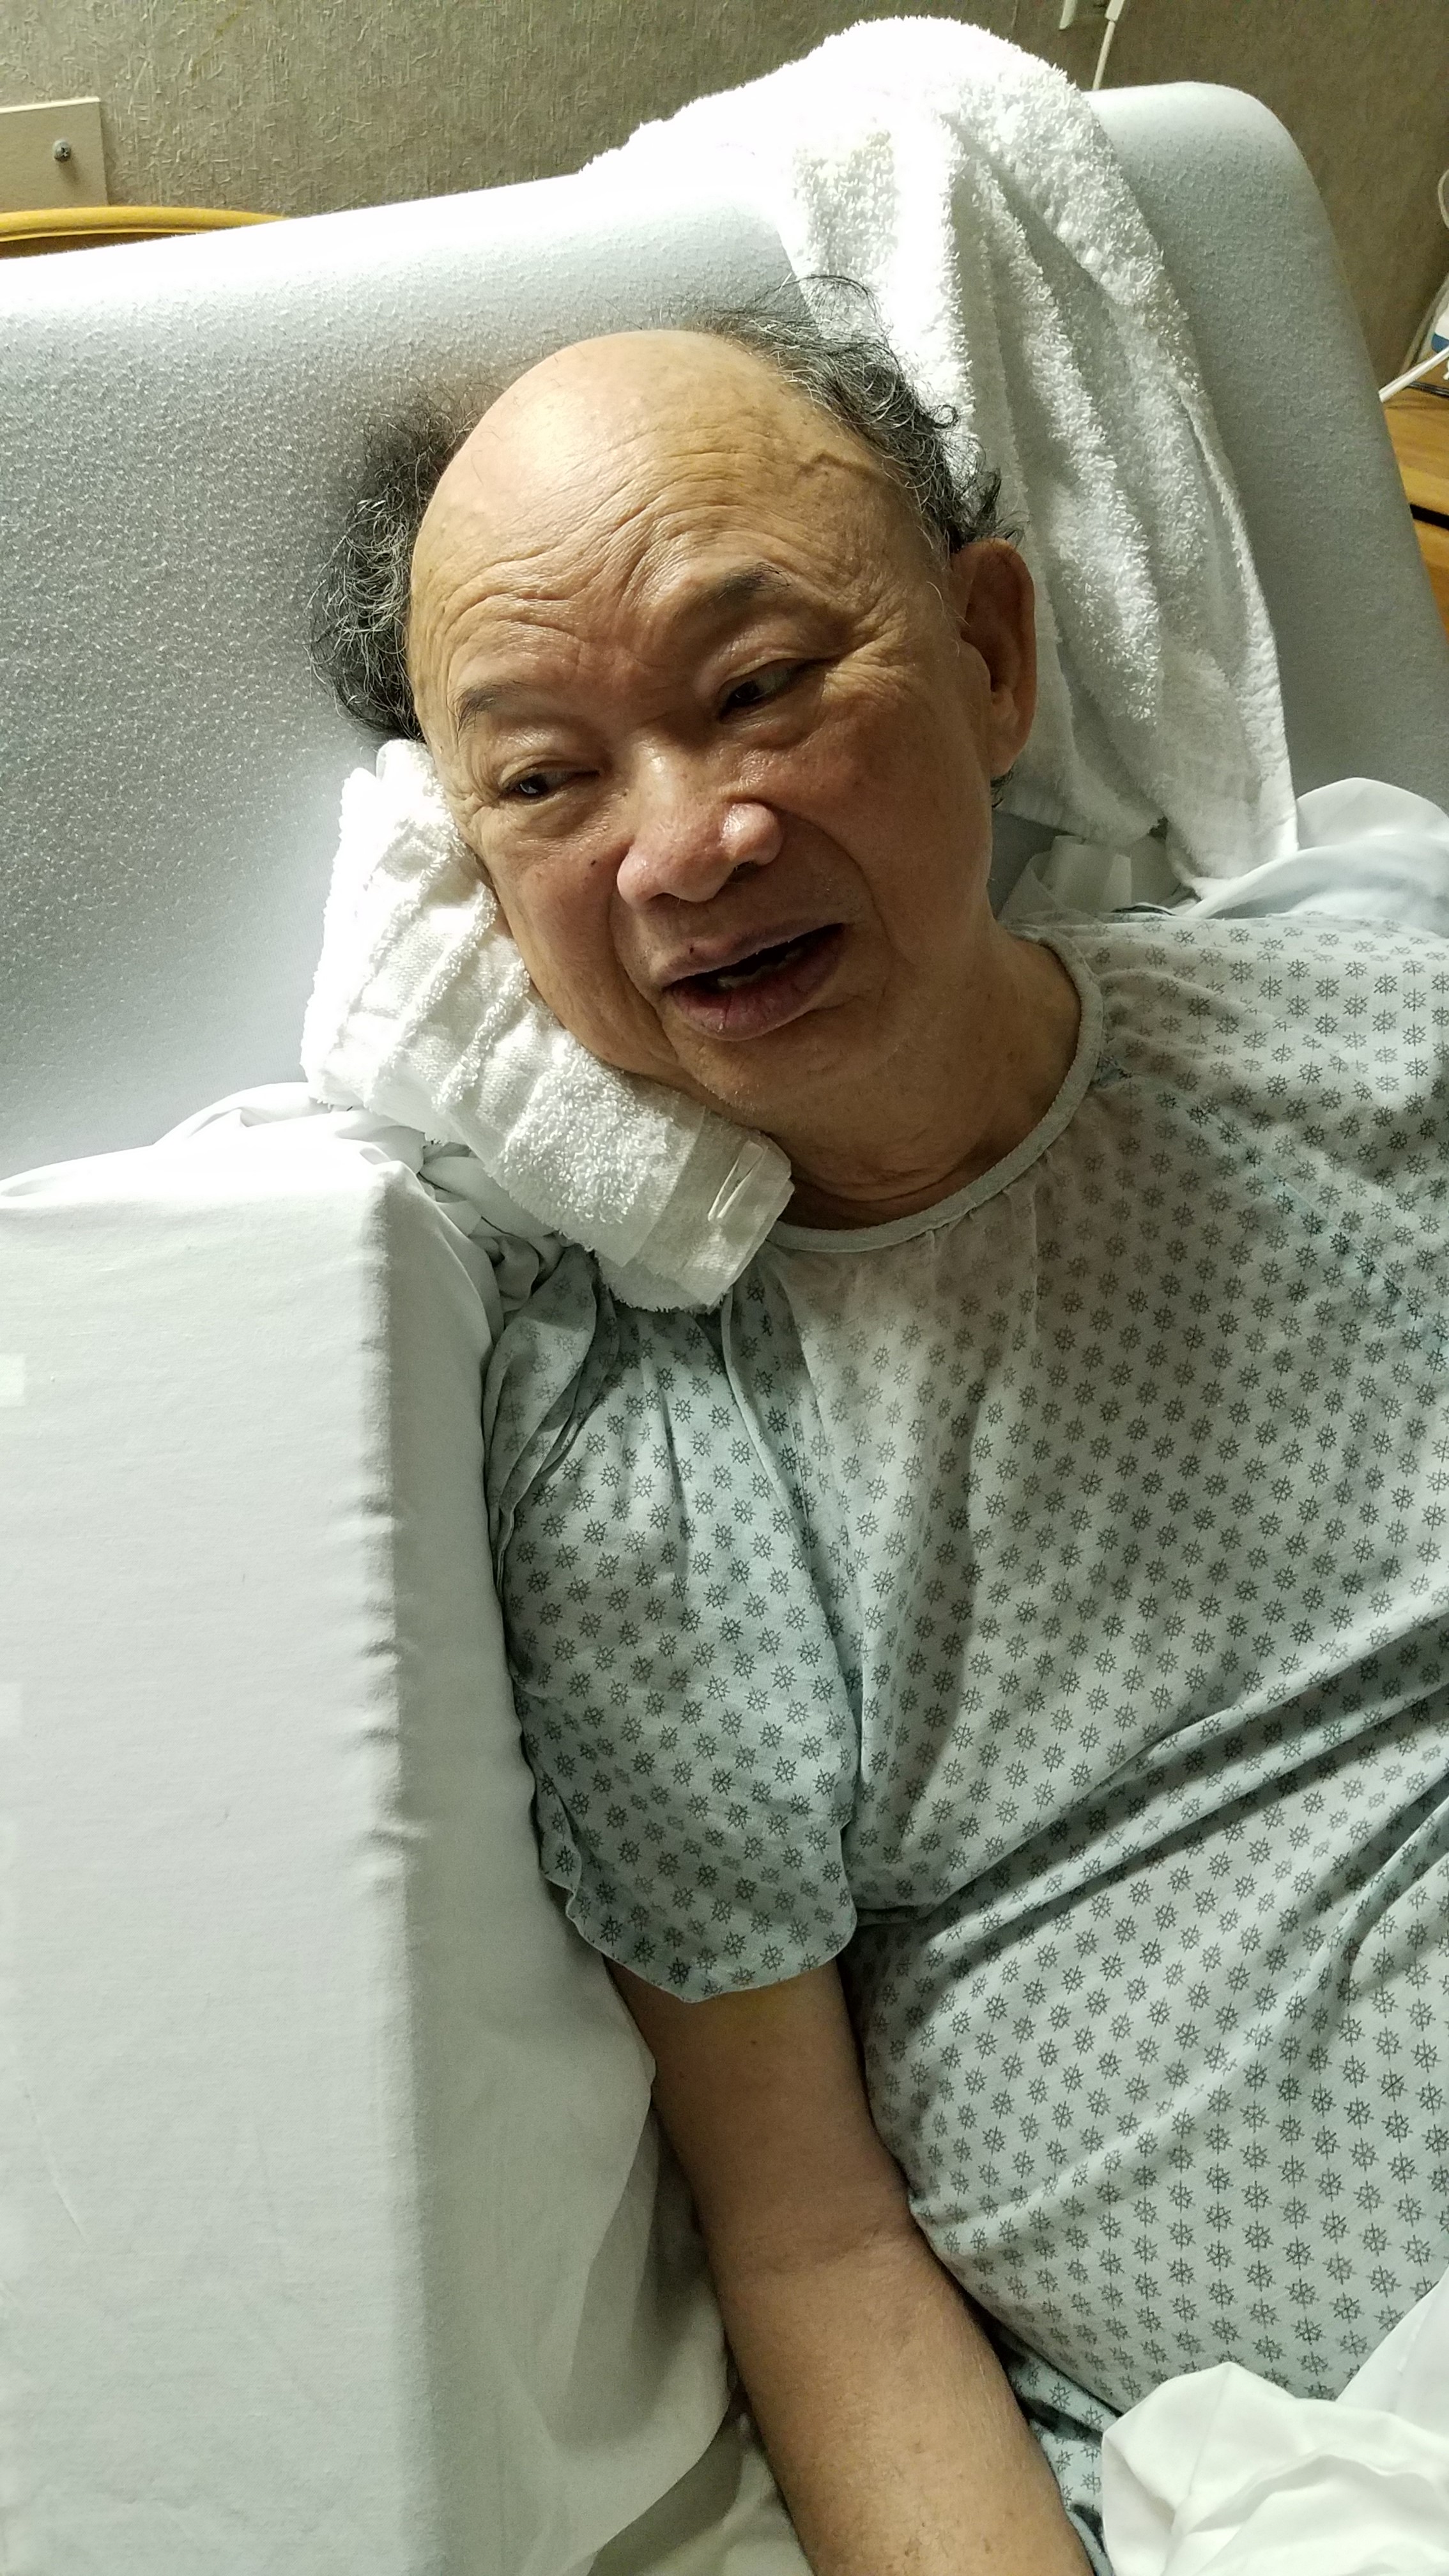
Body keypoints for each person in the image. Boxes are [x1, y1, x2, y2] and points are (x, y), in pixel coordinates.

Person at [313, 310, 1449, 2576]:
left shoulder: (1379, 1032)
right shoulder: (643, 1463)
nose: (689, 843)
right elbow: (813, 2238)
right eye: (542, 781)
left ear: (990, 656)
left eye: (758, 686)